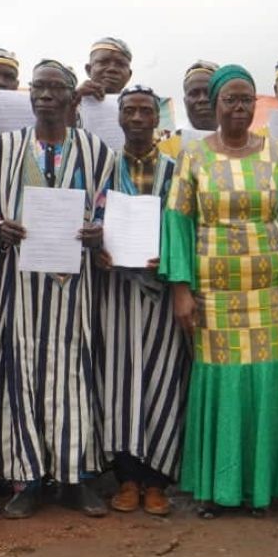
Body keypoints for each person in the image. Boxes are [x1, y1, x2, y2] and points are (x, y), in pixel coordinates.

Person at [160, 64, 278, 518]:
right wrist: (181, 289)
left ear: (256, 105)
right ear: (214, 106)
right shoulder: (195, 156)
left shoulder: (276, 154)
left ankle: (264, 487)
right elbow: (177, 222)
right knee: (222, 385)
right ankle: (219, 488)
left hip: (269, 296)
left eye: (246, 99)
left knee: (267, 381)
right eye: (229, 99)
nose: (238, 107)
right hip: (213, 297)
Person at [0, 59, 115, 519]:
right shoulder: (5, 149)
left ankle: (76, 478)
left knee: (75, 374)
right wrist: (1, 227)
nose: (44, 95)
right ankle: (28, 479)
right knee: (21, 374)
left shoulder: (99, 152)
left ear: (73, 98)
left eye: (55, 87)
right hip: (21, 285)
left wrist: (99, 231)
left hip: (75, 286)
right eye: (37, 87)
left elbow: (105, 212)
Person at [96, 85, 188, 516]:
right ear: (118, 118)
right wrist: (97, 244)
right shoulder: (103, 169)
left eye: (144, 111)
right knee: (117, 384)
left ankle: (157, 481)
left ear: (157, 119)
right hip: (115, 291)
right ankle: (127, 478)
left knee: (163, 382)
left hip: (162, 289)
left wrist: (169, 254)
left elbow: (190, 224)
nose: (136, 118)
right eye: (128, 110)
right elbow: (91, 218)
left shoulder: (177, 169)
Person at [157, 60, 221, 159]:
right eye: (194, 93)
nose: (202, 99)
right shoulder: (165, 145)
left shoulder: (242, 145)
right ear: (185, 101)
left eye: (208, 92)